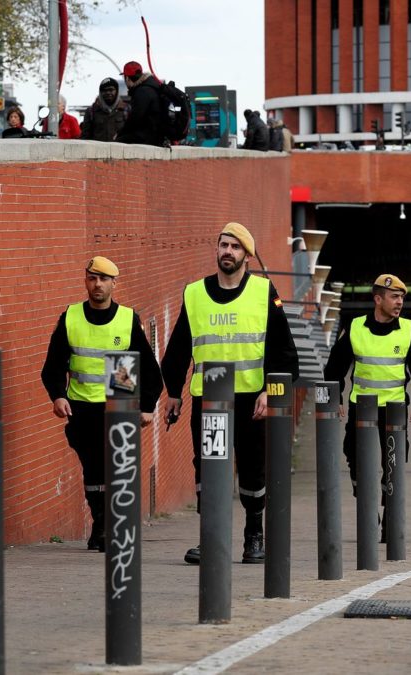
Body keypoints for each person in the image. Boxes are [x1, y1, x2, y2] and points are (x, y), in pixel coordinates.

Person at [161, 222, 299, 564]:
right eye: (223, 244)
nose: (227, 251)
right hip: (208, 401)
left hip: (252, 400)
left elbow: (283, 351)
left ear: (247, 256)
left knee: (253, 469)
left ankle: (254, 536)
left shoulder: (264, 293)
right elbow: (178, 348)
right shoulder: (194, 293)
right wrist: (174, 393)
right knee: (207, 468)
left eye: (235, 247)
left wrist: (271, 391)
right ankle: (211, 537)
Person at [40, 257, 162, 552]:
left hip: (118, 405)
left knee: (116, 469)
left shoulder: (127, 319)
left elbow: (149, 370)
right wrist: (58, 395)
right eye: (93, 278)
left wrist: (146, 407)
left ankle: (111, 528)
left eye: (104, 279)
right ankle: (100, 524)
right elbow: (53, 365)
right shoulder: (70, 317)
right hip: (82, 407)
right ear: (86, 280)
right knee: (93, 471)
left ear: (113, 284)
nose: (98, 284)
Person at [323, 274, 411, 533]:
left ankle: (389, 516)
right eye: (394, 297)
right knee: (353, 456)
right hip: (360, 407)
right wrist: (335, 397)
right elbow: (334, 368)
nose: (399, 302)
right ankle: (366, 506)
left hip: (394, 410)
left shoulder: (409, 331)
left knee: (393, 464)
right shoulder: (354, 328)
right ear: (378, 299)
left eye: (402, 297)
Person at [117, 61, 166, 147]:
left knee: (117, 144)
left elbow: (135, 118)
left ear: (127, 78)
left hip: (149, 138)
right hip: (157, 136)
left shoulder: (142, 92)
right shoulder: (152, 87)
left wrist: (120, 134)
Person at [80, 77, 129, 142]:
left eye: (111, 90)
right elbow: (85, 137)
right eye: (104, 90)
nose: (108, 93)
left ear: (117, 91)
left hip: (122, 151)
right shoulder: (91, 111)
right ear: (100, 93)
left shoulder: (127, 109)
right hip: (97, 151)